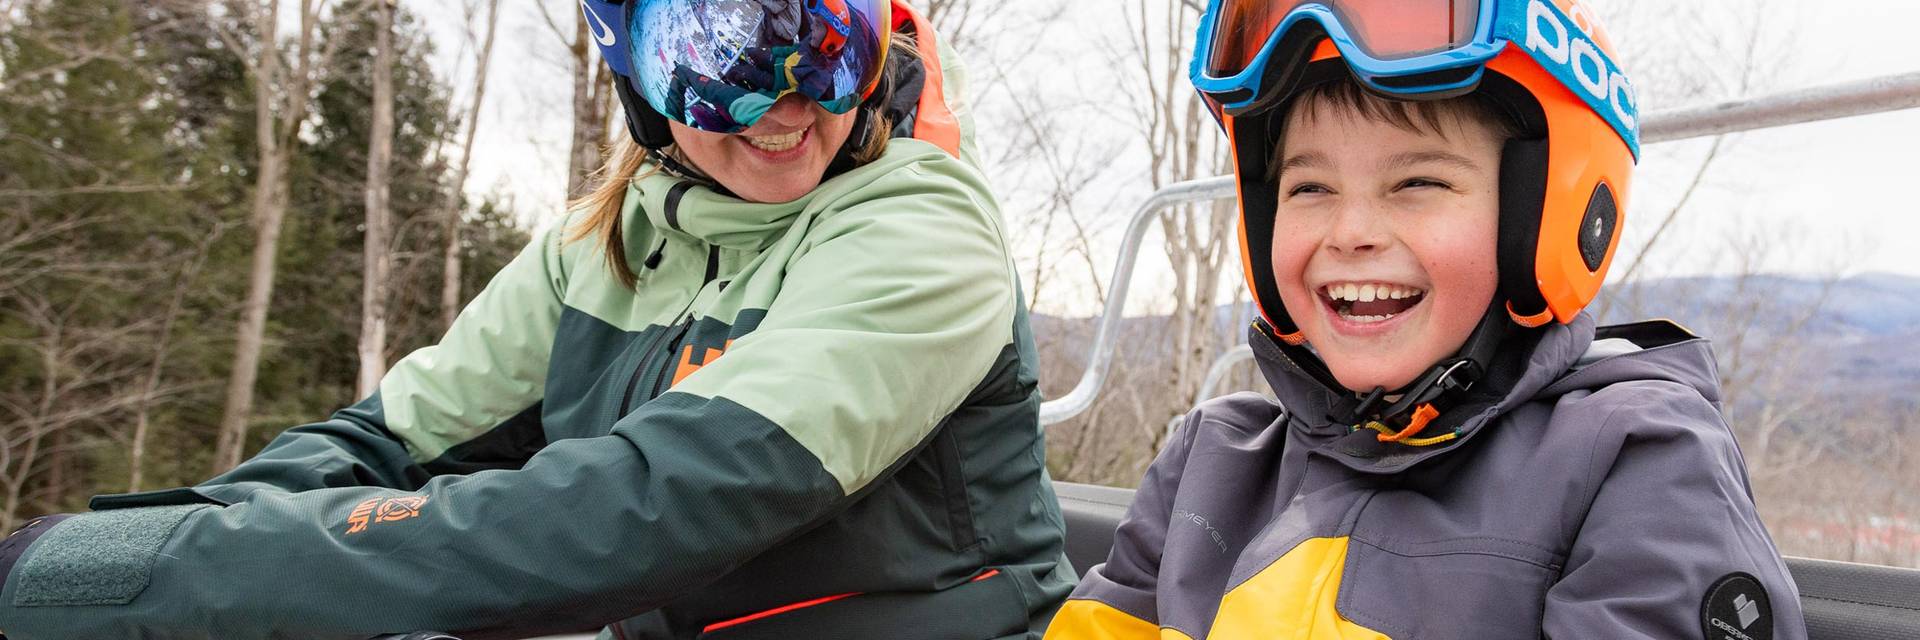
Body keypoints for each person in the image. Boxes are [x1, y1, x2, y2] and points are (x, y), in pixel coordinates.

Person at [0, 1, 1074, 638]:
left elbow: (658, 503)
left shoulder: (925, 229)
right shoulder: (604, 244)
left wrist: (176, 576)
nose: (787, 102)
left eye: (824, 45)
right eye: (723, 66)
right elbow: (386, 444)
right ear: (639, 79)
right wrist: (130, 559)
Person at [1045, 0, 1806, 638]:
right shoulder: (1212, 463)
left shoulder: (1633, 460)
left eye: (1416, 181)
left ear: (1547, 214)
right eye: (1309, 188)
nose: (1350, 232)